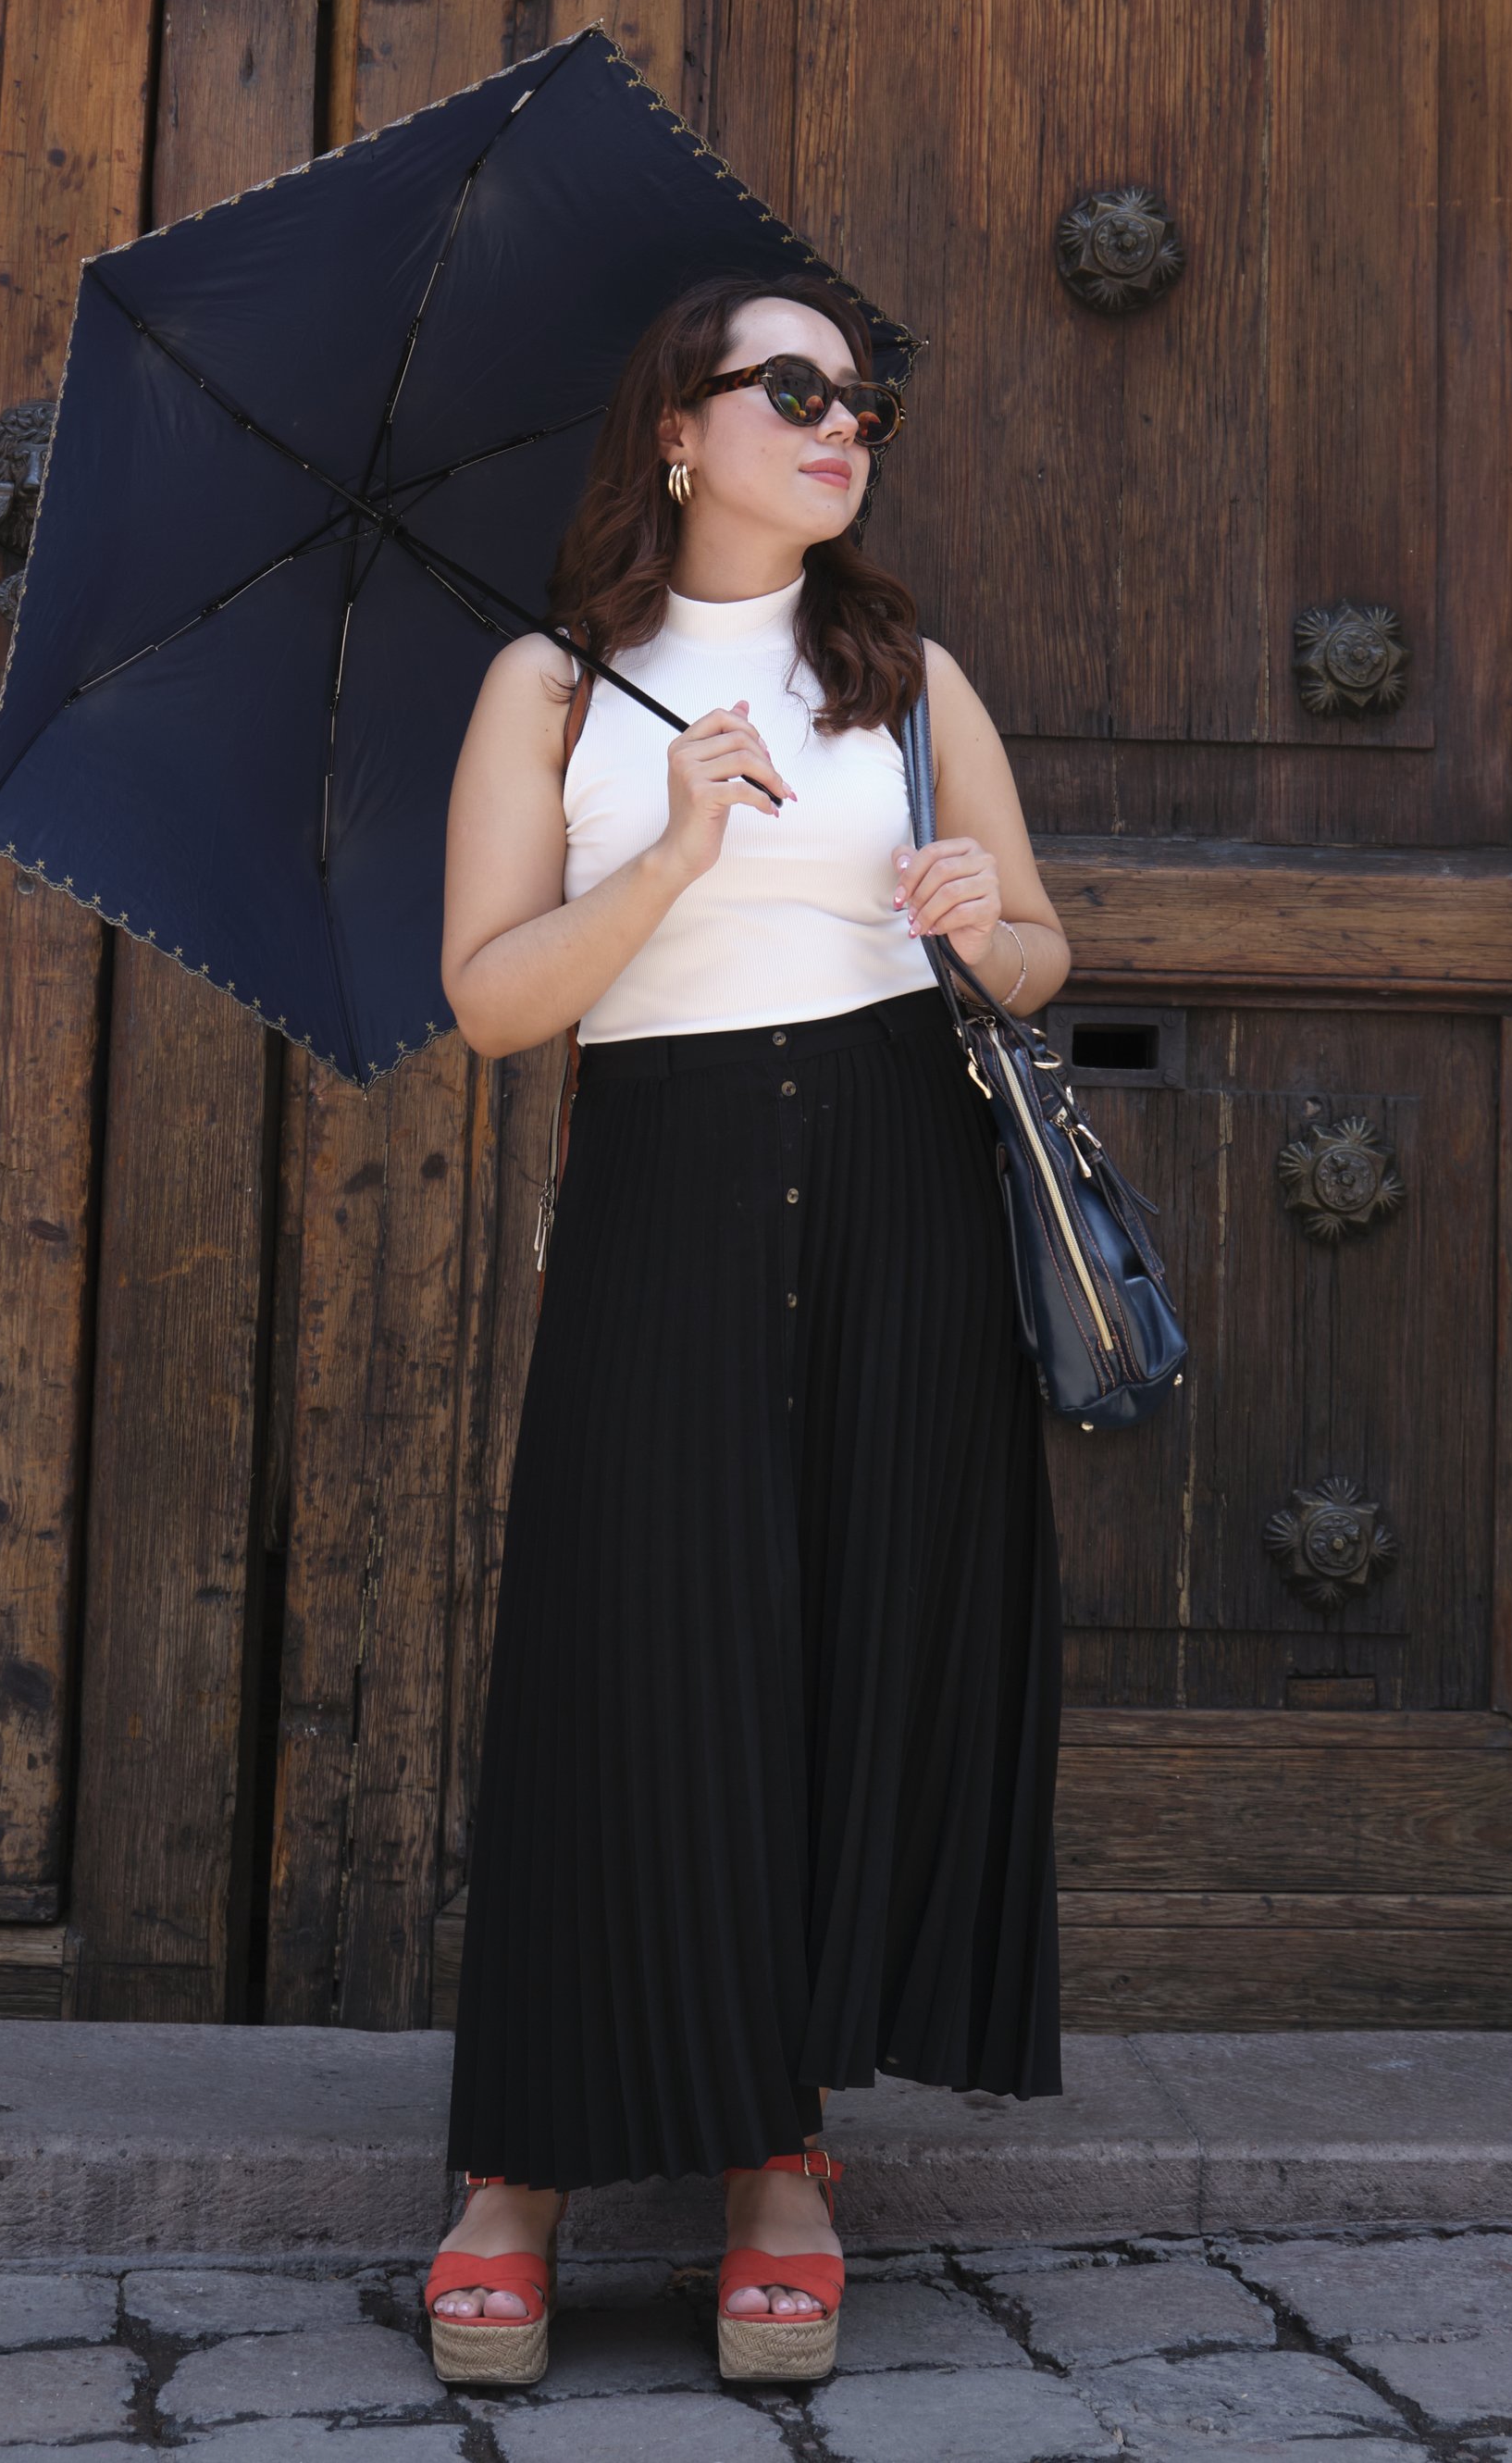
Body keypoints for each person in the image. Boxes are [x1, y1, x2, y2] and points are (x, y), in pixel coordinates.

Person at [424, 272, 1068, 2390]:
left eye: (860, 393)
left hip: (898, 1178)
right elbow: (498, 999)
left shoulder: (904, 669)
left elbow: (1048, 951)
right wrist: (680, 846)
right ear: (678, 432)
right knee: (626, 1648)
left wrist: (990, 922)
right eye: (789, 387)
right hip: (671, 1180)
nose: (838, 419)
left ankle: (779, 2164)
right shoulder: (549, 687)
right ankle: (507, 2176)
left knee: (843, 1647)